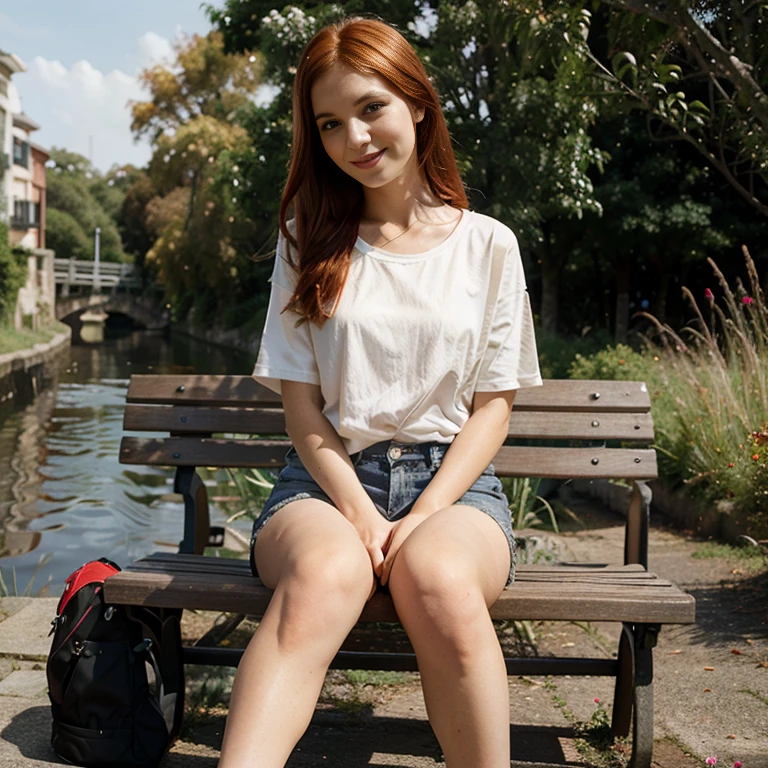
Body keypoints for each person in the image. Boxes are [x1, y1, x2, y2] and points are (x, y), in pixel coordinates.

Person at [218, 17, 542, 768]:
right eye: (330, 123)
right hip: (324, 489)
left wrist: (423, 516)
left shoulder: (488, 243)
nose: (353, 138)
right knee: (325, 578)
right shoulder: (308, 237)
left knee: (438, 580)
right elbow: (303, 410)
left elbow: (495, 407)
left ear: (418, 103)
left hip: (456, 492)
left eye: (370, 108)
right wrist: (362, 515)